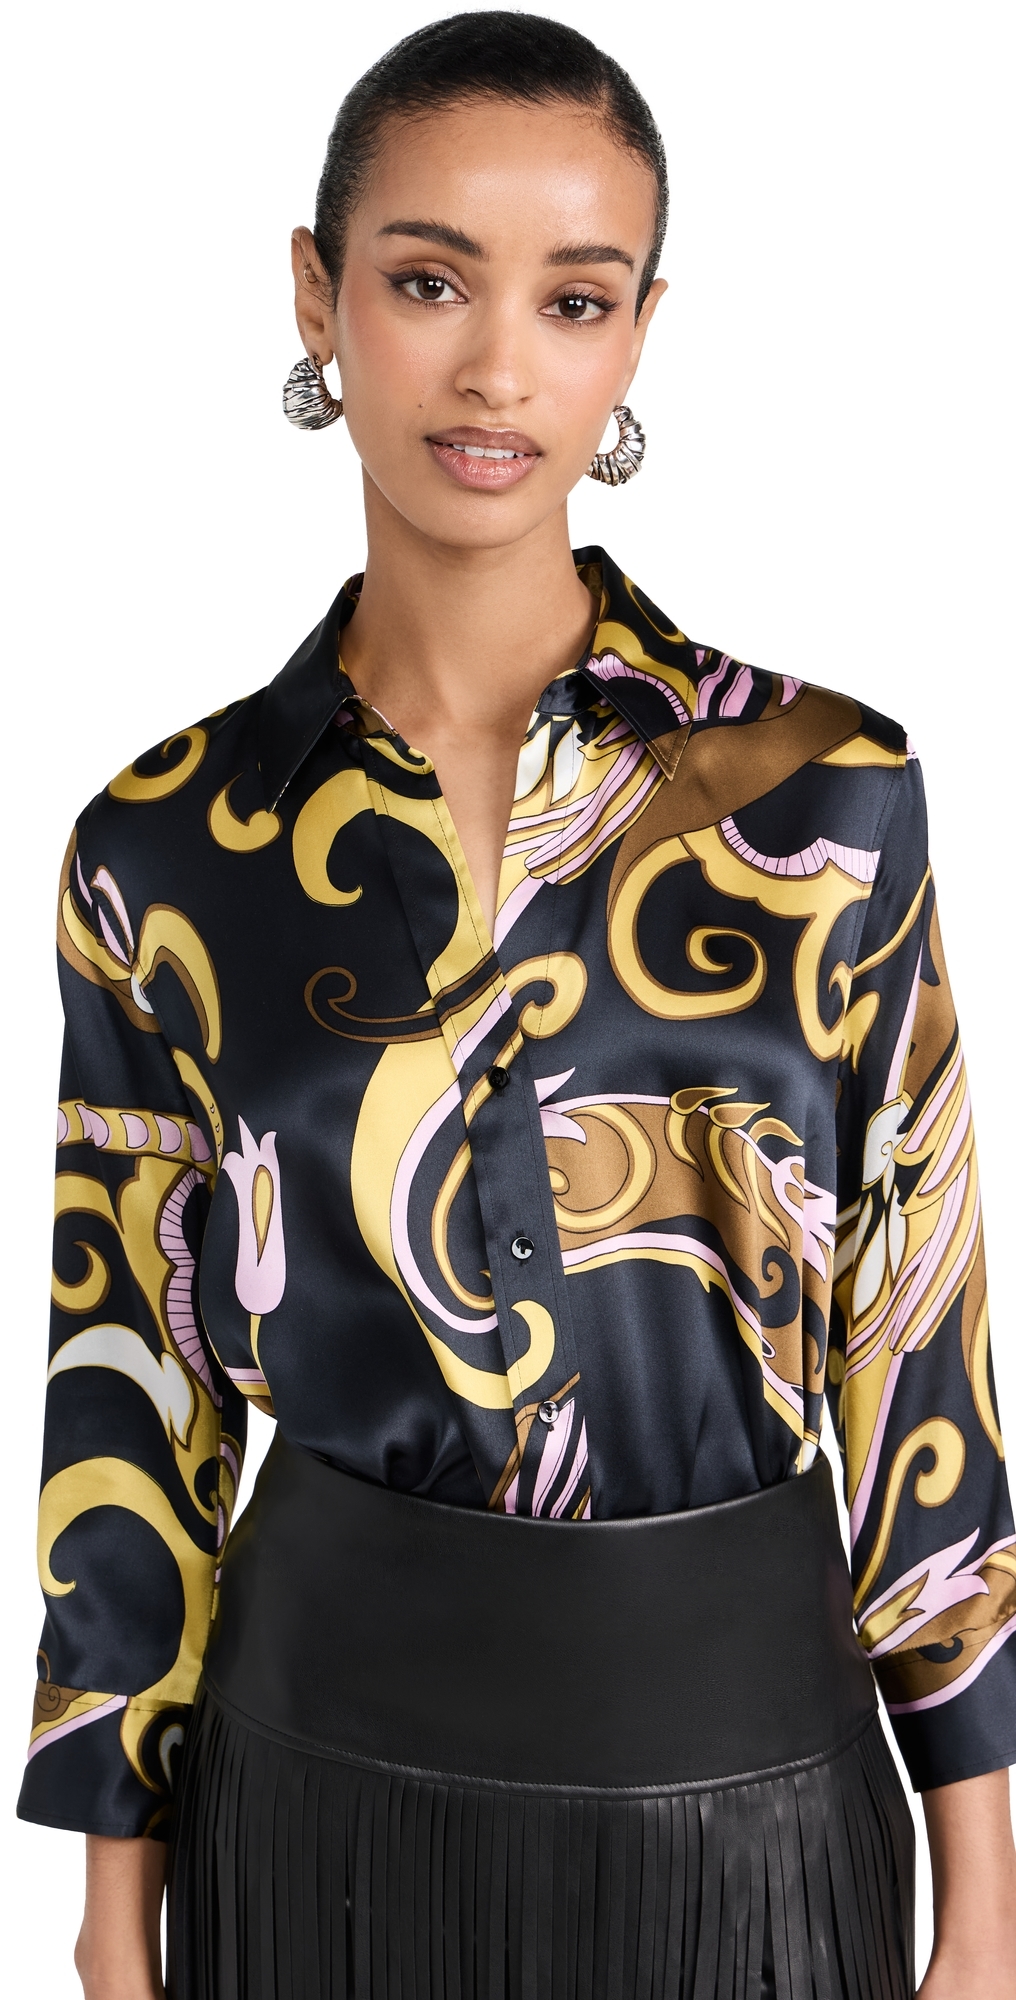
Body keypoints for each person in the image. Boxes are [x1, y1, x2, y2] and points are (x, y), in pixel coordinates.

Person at [17, 12, 1016, 1998]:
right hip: (314, 1802)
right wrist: (112, 1913)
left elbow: (917, 1341)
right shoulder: (165, 845)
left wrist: (983, 1901)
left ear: (638, 333)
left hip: (745, 1793)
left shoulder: (823, 797)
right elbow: (127, 1378)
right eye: (426, 282)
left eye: (573, 298)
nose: (496, 369)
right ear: (316, 296)